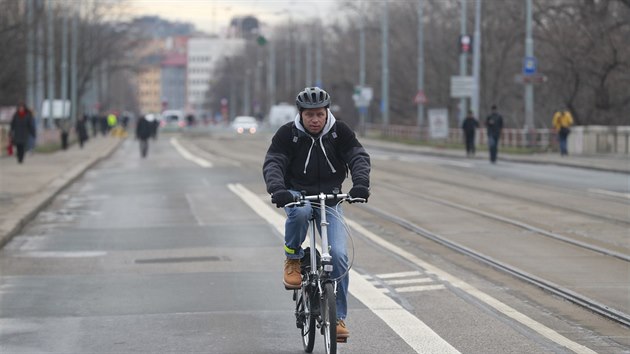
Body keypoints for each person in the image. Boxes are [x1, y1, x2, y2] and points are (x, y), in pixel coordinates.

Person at [263, 87, 371, 340]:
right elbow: (274, 162)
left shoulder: (339, 132)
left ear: (327, 113)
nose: (315, 120)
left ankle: (339, 318)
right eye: (309, 115)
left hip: (331, 199)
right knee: (299, 213)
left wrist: (360, 185)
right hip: (297, 195)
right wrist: (279, 189)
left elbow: (358, 157)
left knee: (340, 256)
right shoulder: (287, 134)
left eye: (319, 114)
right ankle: (293, 258)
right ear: (300, 114)